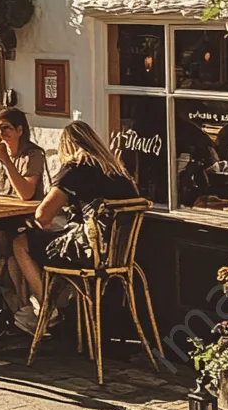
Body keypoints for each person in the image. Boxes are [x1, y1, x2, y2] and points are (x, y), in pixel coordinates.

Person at [12, 120, 138, 335]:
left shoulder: (75, 168)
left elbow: (42, 216)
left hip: (89, 252)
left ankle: (47, 309)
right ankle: (54, 310)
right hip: (121, 255)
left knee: (21, 243)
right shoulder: (117, 171)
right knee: (54, 243)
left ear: (66, 146)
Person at [0, 108, 47, 309]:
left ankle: (18, 302)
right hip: (4, 216)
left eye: (6, 128)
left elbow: (26, 193)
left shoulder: (33, 155)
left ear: (20, 130)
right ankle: (6, 299)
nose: (1, 133)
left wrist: (7, 162)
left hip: (27, 219)